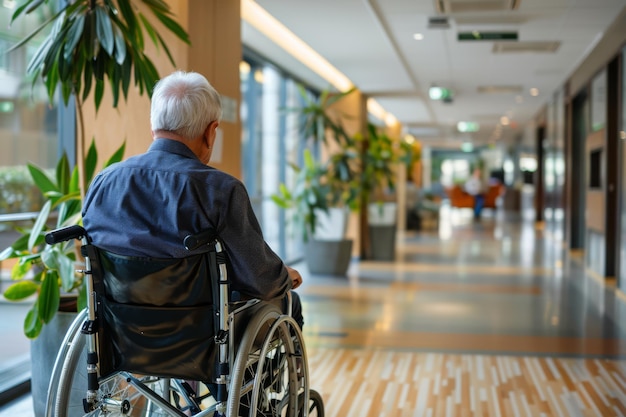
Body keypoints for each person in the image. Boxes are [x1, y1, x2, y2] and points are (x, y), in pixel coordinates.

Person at [82, 70, 303, 327]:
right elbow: (259, 278)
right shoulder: (220, 190)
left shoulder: (104, 181)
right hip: (198, 333)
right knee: (290, 302)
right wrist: (283, 277)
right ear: (211, 132)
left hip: (120, 328)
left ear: (154, 127)